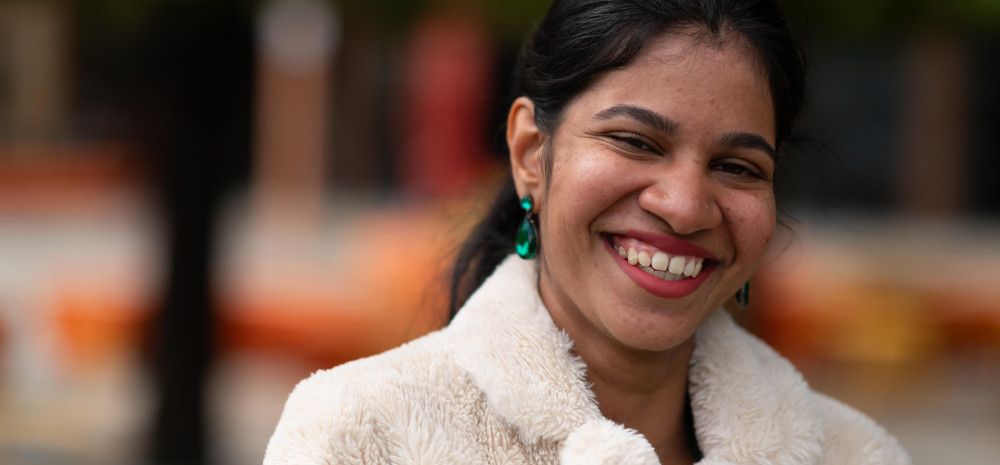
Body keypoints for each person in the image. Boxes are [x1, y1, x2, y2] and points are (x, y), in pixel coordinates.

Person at [264, 1, 911, 464]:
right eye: (635, 141)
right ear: (530, 152)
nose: (686, 207)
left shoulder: (856, 453)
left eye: (737, 167)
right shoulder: (362, 435)